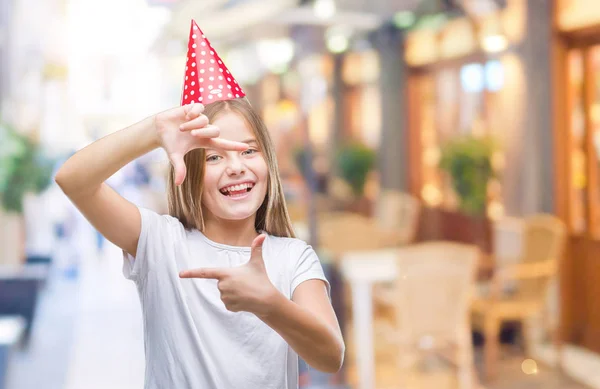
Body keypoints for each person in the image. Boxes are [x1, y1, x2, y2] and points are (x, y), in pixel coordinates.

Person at [54, 19, 344, 389]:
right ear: (189, 174)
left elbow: (330, 356)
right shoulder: (160, 243)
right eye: (214, 157)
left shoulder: (293, 257)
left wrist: (270, 304)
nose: (236, 167)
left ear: (268, 163)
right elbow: (73, 179)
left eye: (248, 151)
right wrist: (153, 132)